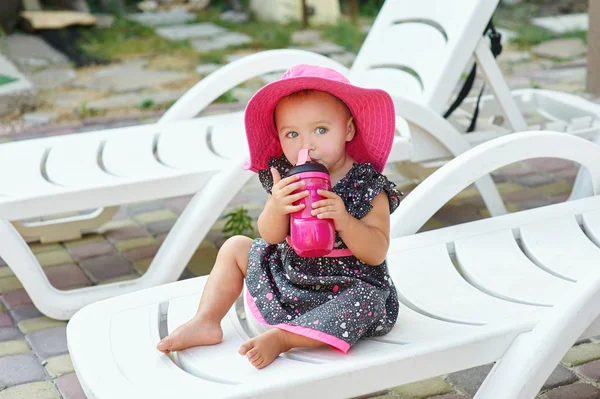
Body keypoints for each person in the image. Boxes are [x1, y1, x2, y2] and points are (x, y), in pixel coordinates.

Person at [156, 64, 402, 369]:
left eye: (321, 130)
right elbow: (270, 236)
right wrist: (276, 206)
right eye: (292, 134)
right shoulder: (287, 177)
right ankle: (205, 320)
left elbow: (377, 252)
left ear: (348, 130)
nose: (306, 145)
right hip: (292, 273)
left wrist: (345, 220)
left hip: (348, 285)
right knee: (235, 246)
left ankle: (285, 338)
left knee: (369, 300)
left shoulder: (366, 184)